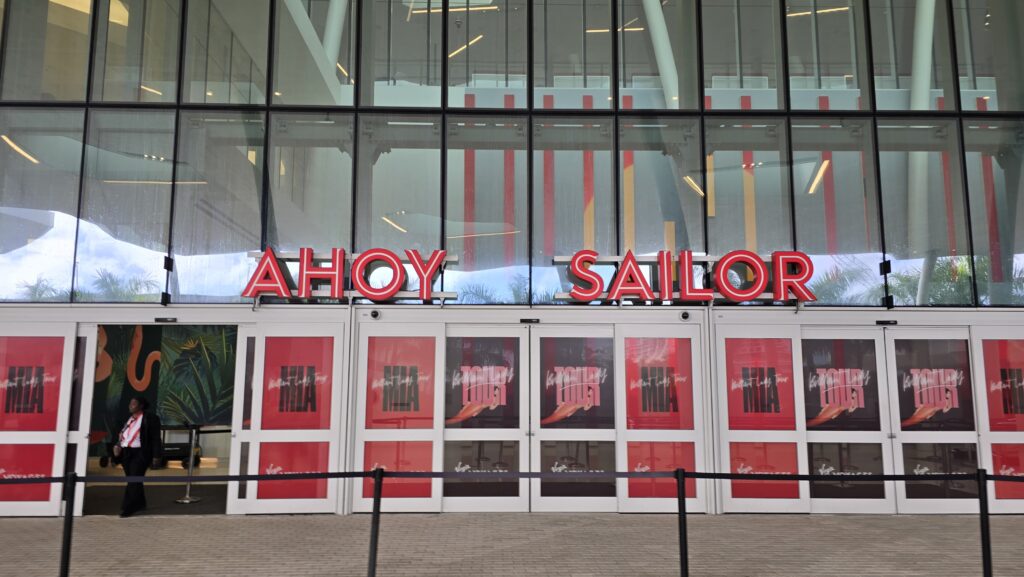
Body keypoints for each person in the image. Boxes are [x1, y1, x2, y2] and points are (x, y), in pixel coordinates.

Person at [112, 396, 162, 517]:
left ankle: (128, 507)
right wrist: (118, 446)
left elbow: (156, 438)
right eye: (130, 403)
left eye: (133, 404)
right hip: (127, 452)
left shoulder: (150, 418)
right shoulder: (129, 419)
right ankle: (140, 503)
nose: (130, 405)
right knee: (134, 479)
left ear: (141, 406)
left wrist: (156, 455)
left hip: (140, 453)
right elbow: (124, 435)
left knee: (133, 479)